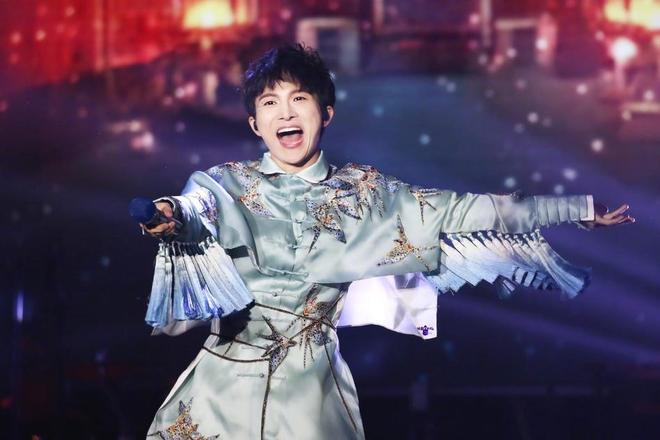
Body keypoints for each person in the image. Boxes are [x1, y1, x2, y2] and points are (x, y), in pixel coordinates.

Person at [139, 44, 634, 440]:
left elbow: (465, 210)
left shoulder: (367, 192)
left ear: (325, 112)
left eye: (298, 99)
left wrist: (576, 209)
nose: (284, 113)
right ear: (254, 123)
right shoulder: (224, 185)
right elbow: (192, 212)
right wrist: (169, 216)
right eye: (269, 103)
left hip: (309, 396)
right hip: (221, 390)